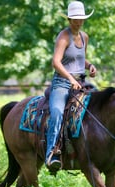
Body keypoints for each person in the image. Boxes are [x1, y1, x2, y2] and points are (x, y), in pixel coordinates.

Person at [45, 1, 97, 172]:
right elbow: (56, 62)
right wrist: (70, 79)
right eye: (75, 18)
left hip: (80, 83)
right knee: (58, 112)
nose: (78, 21)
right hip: (62, 83)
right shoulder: (64, 37)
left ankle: (106, 148)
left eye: (81, 18)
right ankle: (52, 153)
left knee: (101, 105)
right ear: (69, 19)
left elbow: (80, 59)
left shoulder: (84, 36)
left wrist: (90, 66)